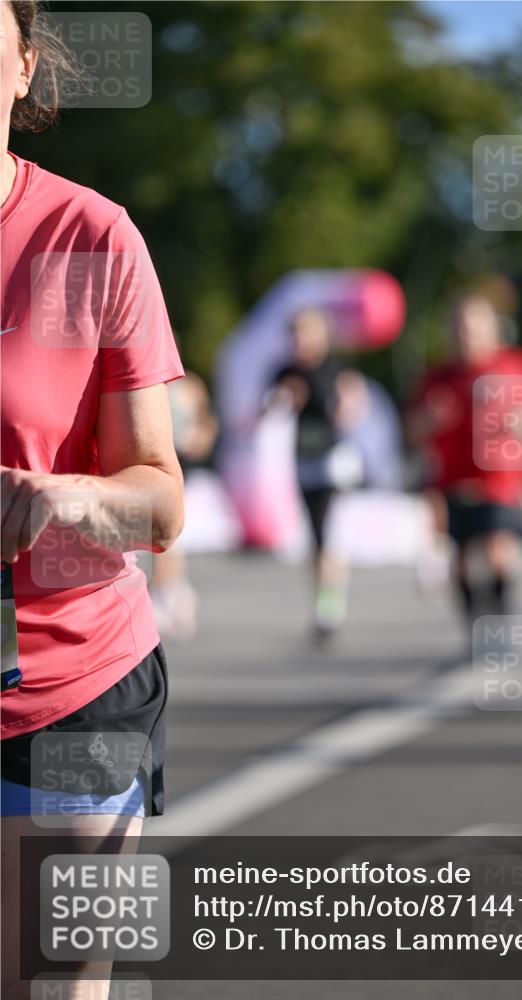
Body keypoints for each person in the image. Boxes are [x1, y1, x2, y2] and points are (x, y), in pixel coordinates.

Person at [0, 3, 184, 996]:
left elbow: (160, 505)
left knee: (59, 973)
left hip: (77, 684)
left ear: (24, 68)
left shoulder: (92, 236)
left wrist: (54, 497)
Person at [408, 292, 522, 628]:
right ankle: (475, 622)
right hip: (455, 476)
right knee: (464, 556)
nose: (467, 331)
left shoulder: (512, 364)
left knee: (500, 546)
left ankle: (498, 616)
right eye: (460, 324)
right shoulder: (438, 375)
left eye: (475, 324)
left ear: (491, 327)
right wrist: (430, 419)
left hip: (502, 474)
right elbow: (412, 429)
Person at [269, 308, 363, 639]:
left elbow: (353, 408)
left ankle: (330, 602)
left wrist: (345, 405)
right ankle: (323, 599)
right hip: (300, 461)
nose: (300, 341)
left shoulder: (335, 370)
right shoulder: (284, 372)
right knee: (313, 538)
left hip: (333, 462)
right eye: (295, 334)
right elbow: (264, 412)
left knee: (328, 534)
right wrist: (281, 401)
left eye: (306, 333)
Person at [150, 369, 219, 639]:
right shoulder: (150, 382)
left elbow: (206, 422)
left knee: (167, 532)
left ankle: (167, 594)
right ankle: (176, 592)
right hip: (158, 460)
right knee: (162, 532)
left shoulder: (190, 384)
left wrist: (199, 441)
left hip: (180, 461)